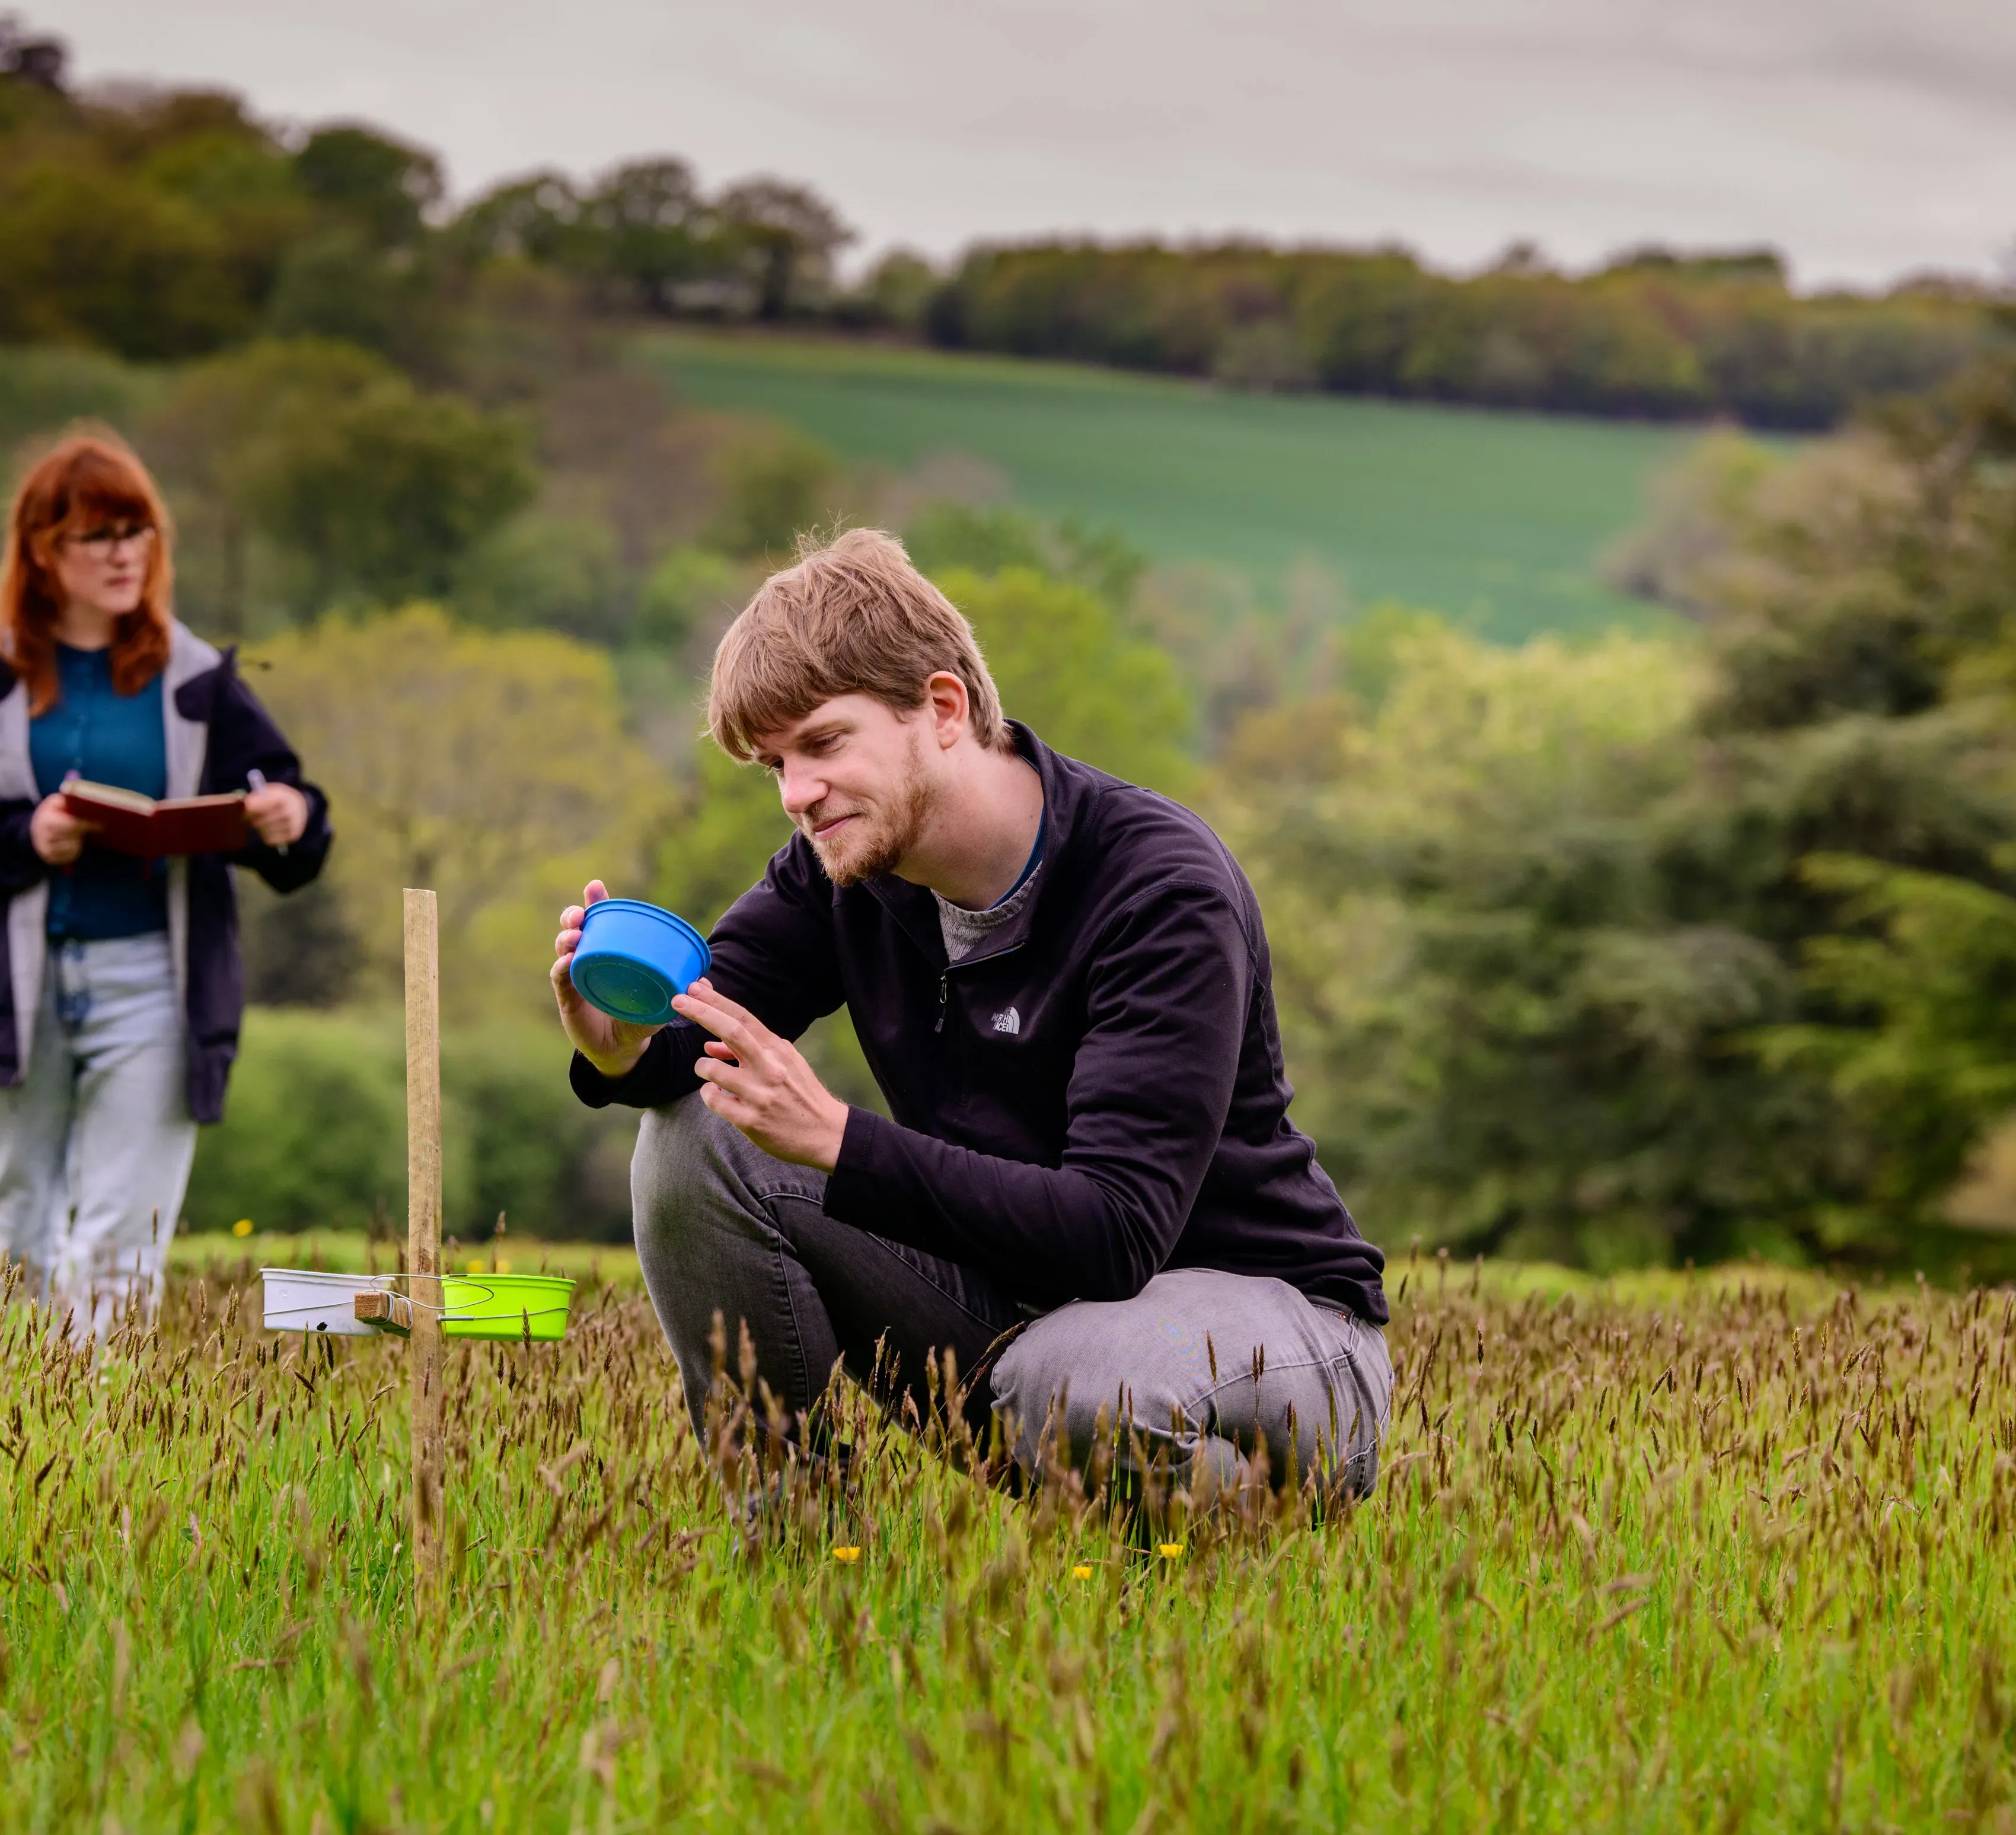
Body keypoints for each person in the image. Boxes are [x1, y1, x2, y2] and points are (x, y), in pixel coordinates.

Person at [553, 528, 1390, 1517]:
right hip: (1033, 1317)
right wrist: (627, 1046)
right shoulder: (845, 867)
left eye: (823, 743)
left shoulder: (1159, 890)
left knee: (1078, 1382)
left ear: (942, 709)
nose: (797, 793)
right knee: (692, 1143)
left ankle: (1246, 1560)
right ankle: (801, 1567)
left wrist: (838, 1141)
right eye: (774, 763)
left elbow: (1114, 1232)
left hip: (1272, 1330)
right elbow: (704, 1033)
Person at [0, 429, 330, 1342]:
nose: (127, 552)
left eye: (140, 531)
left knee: (123, 1236)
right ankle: (6, 1432)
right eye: (100, 534)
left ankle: (102, 1440)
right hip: (11, 985)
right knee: (15, 1228)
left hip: (157, 988)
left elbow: (288, 807)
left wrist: (291, 817)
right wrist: (26, 835)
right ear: (43, 549)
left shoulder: (201, 677)